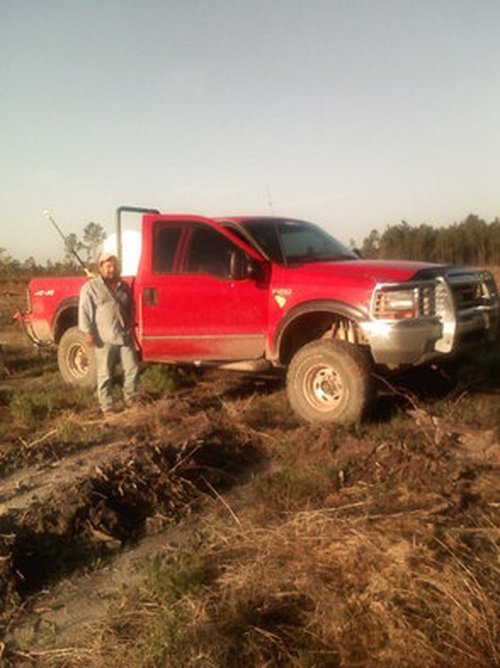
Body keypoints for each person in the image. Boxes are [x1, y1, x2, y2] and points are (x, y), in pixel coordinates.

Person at [78, 252, 139, 414]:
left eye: (114, 266)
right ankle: (107, 406)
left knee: (132, 368)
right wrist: (87, 332)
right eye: (108, 266)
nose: (112, 269)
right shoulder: (91, 288)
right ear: (100, 267)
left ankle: (131, 399)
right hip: (104, 338)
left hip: (124, 335)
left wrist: (132, 325)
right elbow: (84, 312)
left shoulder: (123, 286)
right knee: (105, 373)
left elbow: (130, 307)